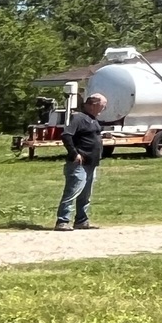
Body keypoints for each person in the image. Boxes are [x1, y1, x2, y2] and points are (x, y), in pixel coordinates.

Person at [57, 92, 107, 230]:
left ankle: (81, 220)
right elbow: (66, 135)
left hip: (91, 163)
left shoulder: (93, 120)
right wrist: (74, 154)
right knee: (72, 192)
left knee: (85, 195)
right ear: (94, 105)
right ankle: (63, 221)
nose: (104, 109)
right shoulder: (78, 118)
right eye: (103, 106)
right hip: (79, 163)